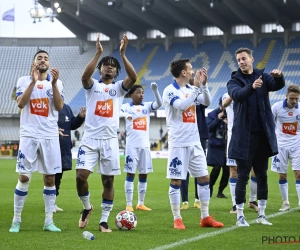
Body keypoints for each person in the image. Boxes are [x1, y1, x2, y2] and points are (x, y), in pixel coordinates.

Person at [76, 34, 137, 233]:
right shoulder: (93, 86)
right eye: (105, 64)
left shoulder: (118, 89)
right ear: (100, 69)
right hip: (90, 139)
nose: (109, 67)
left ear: (116, 71)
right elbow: (84, 77)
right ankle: (87, 208)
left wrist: (123, 54)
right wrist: (98, 53)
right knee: (80, 177)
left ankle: (103, 221)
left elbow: (134, 78)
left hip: (110, 141)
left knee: (108, 181)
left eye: (113, 65)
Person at [162, 58, 224, 230]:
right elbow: (182, 106)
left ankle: (205, 217)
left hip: (195, 142)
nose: (192, 71)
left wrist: (203, 85)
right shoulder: (169, 90)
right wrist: (196, 89)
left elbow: (207, 102)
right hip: (179, 143)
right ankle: (177, 218)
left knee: (204, 177)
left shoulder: (191, 89)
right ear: (183, 72)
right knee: (176, 180)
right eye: (190, 69)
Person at [227, 47, 285, 227]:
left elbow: (278, 86)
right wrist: (251, 87)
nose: (241, 62)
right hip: (243, 137)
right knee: (242, 175)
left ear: (252, 59)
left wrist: (278, 76)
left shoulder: (264, 76)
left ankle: (262, 214)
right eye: (238, 60)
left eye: (244, 58)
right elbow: (237, 95)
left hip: (262, 136)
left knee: (262, 175)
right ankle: (240, 216)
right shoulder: (233, 81)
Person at [9, 50, 64, 233]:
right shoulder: (23, 80)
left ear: (49, 64)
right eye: (39, 58)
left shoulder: (58, 83)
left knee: (50, 179)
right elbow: (20, 103)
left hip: (49, 135)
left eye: (46, 58)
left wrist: (54, 84)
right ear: (34, 62)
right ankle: (16, 220)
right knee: (24, 177)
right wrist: (33, 82)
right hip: (29, 135)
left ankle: (48, 222)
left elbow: (58, 106)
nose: (43, 60)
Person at [120, 83, 162, 212]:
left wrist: (155, 90)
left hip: (145, 147)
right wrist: (124, 115)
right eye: (138, 92)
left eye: (142, 92)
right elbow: (117, 112)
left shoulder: (147, 106)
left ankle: (141, 203)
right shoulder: (126, 106)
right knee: (130, 174)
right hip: (132, 147)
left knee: (144, 174)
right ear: (131, 94)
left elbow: (159, 104)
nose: (141, 95)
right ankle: (128, 204)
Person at [222, 93, 259, 214]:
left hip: (251, 136)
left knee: (255, 170)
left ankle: (252, 201)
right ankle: (235, 204)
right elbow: (224, 105)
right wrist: (236, 92)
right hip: (234, 137)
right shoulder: (227, 95)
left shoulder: (252, 92)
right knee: (233, 170)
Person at [180, 78, 209, 210]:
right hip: (185, 137)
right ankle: (185, 200)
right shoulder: (182, 98)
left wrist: (202, 86)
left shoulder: (199, 96)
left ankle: (197, 199)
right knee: (183, 170)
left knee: (200, 170)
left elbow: (207, 102)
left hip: (200, 135)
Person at [271, 84, 300, 211]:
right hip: (280, 146)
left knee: (298, 174)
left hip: (297, 145)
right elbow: (270, 125)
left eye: (297, 99)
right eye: (292, 98)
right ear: (286, 96)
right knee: (282, 175)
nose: (294, 101)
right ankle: (286, 203)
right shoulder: (276, 107)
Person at [55, 105, 86, 212]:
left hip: (64, 146)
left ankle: (53, 201)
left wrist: (80, 118)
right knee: (50, 175)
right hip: (52, 144)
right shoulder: (49, 106)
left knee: (58, 175)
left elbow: (72, 125)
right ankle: (49, 203)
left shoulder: (67, 108)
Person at [206, 97, 229, 199]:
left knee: (227, 170)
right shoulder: (212, 114)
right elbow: (209, 128)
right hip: (215, 146)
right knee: (216, 167)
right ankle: (209, 187)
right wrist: (218, 119)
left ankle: (221, 191)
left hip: (227, 146)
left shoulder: (232, 114)